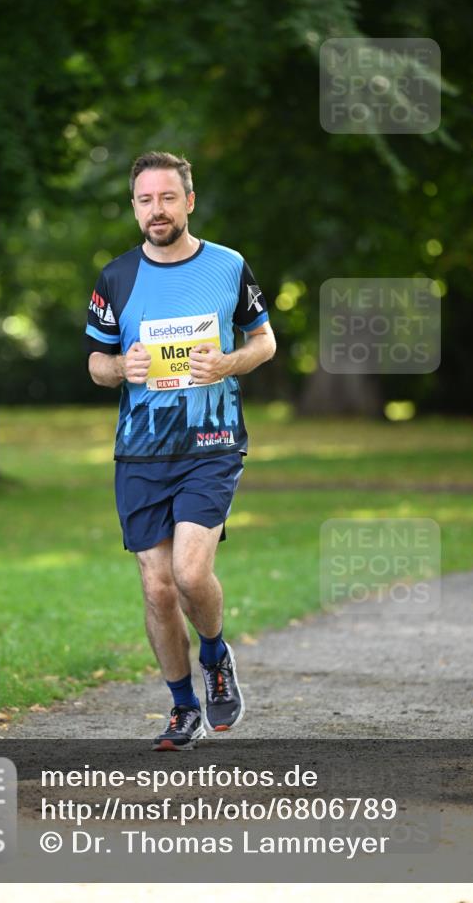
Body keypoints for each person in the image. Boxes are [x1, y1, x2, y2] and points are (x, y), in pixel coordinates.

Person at [85, 151, 276, 750]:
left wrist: (229, 362)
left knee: (191, 573)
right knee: (157, 587)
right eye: (146, 200)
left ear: (189, 201)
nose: (157, 210)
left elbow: (264, 341)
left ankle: (215, 656)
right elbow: (94, 363)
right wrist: (120, 366)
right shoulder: (115, 277)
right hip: (141, 451)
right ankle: (181, 705)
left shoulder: (228, 266)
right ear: (134, 207)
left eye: (168, 198)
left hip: (211, 441)